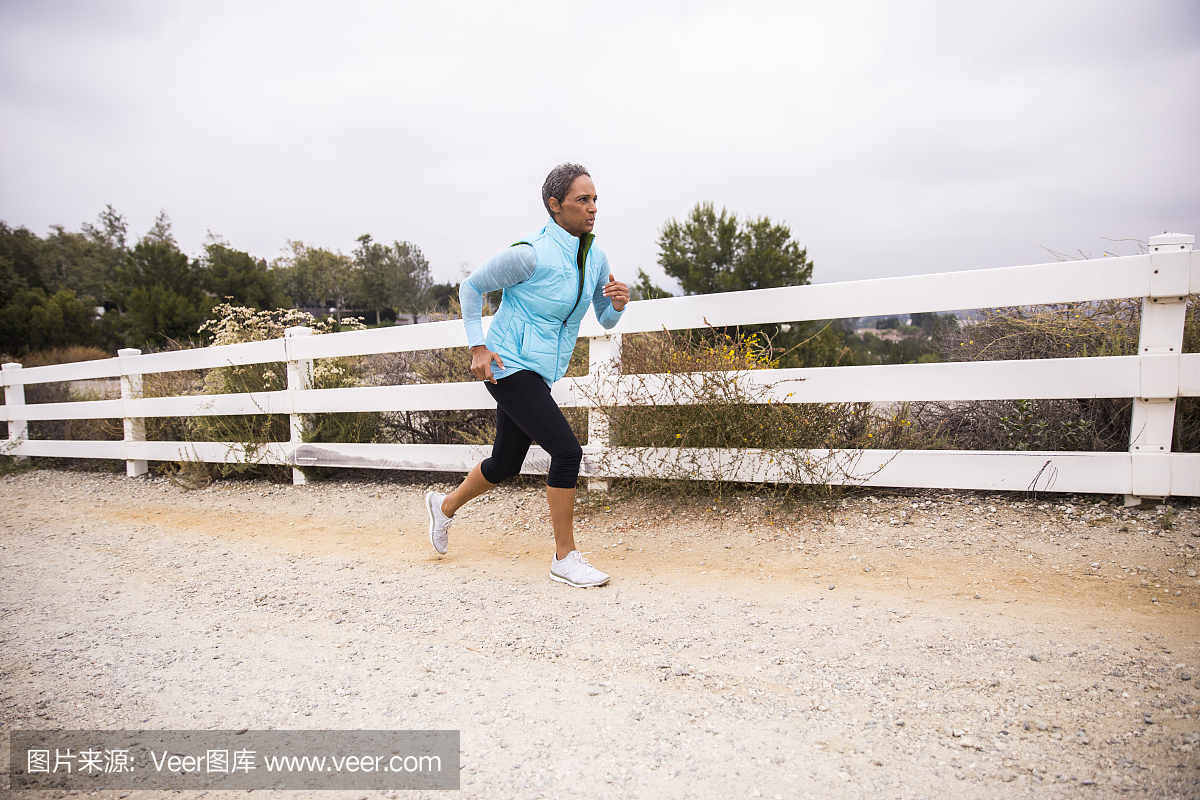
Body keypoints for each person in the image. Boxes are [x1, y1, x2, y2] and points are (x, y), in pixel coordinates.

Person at [424, 163, 629, 588]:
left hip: (540, 372)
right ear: (555, 206)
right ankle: (565, 556)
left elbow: (605, 320)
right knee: (567, 452)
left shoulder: (595, 258)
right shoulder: (529, 254)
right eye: (582, 200)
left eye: (595, 200)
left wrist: (618, 303)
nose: (593, 209)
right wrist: (477, 346)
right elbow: (470, 287)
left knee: (505, 463)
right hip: (507, 364)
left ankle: (443, 507)